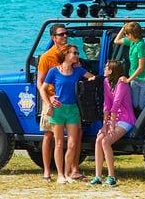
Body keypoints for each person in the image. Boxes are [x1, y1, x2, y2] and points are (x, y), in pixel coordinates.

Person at [39, 44, 95, 184]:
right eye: (74, 53)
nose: (76, 55)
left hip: (73, 110)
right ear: (65, 55)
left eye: (77, 53)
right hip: (59, 109)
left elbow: (93, 78)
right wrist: (49, 102)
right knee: (58, 143)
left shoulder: (78, 71)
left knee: (72, 144)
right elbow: (42, 89)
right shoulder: (54, 71)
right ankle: (59, 175)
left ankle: (66, 173)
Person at [89, 60, 136, 187]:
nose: (104, 69)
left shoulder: (122, 83)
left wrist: (112, 125)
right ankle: (98, 176)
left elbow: (116, 103)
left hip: (125, 119)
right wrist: (105, 125)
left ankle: (111, 177)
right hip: (113, 118)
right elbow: (107, 104)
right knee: (99, 139)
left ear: (111, 70)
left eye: (106, 67)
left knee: (106, 141)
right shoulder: (106, 81)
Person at [36, 24, 67, 182]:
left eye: (66, 34)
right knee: (49, 135)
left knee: (74, 134)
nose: (65, 36)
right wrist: (47, 102)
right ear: (53, 38)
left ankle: (71, 170)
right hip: (51, 98)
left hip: (67, 99)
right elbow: (40, 83)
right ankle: (47, 171)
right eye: (61, 34)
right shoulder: (46, 57)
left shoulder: (69, 52)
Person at [113, 22, 145, 112]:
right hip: (134, 78)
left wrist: (128, 80)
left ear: (131, 34)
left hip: (144, 79)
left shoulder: (140, 45)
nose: (125, 35)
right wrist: (124, 27)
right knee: (134, 104)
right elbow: (116, 41)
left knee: (142, 105)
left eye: (126, 34)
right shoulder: (131, 42)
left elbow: (141, 67)